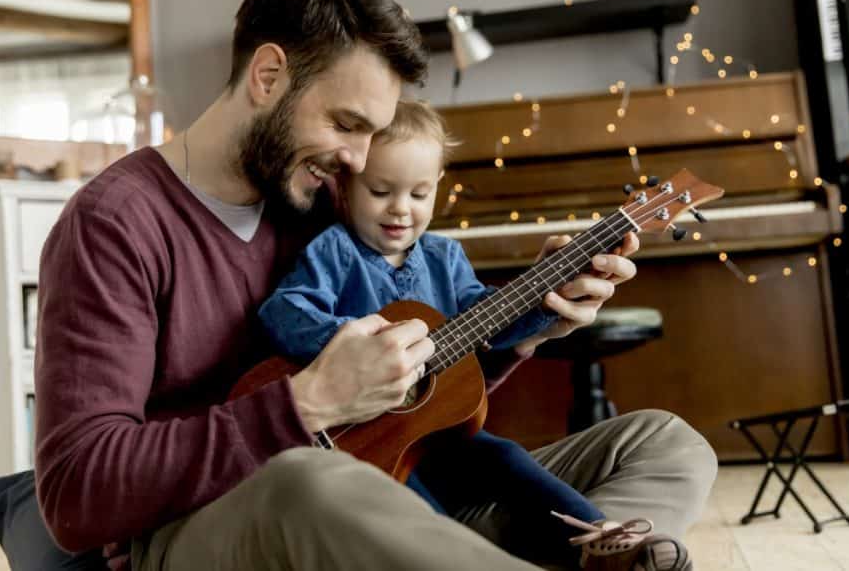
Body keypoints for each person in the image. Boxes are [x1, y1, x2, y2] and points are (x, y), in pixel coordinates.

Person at [35, 0, 717, 571]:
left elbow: (414, 391)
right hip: (219, 520)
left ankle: (574, 554)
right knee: (309, 483)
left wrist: (529, 324)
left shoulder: (323, 197)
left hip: (389, 481)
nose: (361, 162)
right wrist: (307, 404)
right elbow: (74, 492)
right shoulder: (114, 223)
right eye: (346, 123)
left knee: (665, 442)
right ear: (267, 77)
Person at [257, 99, 648, 567]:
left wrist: (546, 300)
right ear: (345, 184)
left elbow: (489, 323)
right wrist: (358, 341)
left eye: (419, 194)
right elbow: (283, 311)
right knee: (419, 519)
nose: (401, 209)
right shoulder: (335, 251)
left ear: (439, 184)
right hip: (361, 444)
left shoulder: (444, 258)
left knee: (504, 457)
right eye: (381, 191)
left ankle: (603, 542)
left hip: (438, 435)